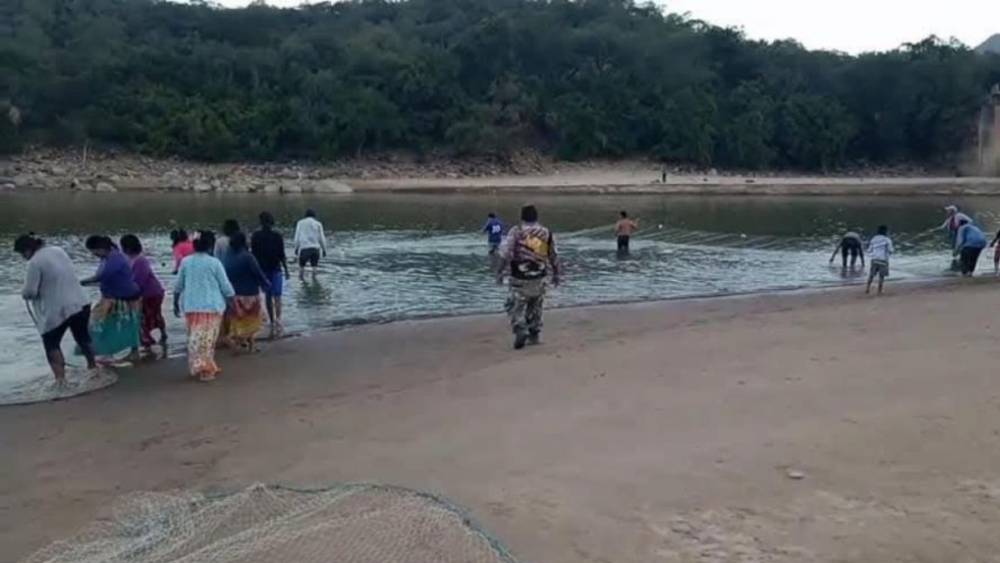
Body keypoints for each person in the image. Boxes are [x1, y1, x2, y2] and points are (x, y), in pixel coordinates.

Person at [15, 234, 97, 384]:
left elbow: (30, 292)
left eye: (22, 253)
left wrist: (24, 293)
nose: (23, 257)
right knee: (83, 338)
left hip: (57, 310)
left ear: (27, 250)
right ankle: (94, 368)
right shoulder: (58, 250)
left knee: (51, 344)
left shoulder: (34, 262)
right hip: (80, 302)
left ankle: (60, 381)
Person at [496, 204, 560, 350]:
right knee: (536, 305)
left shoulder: (516, 231)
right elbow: (554, 256)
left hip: (519, 277)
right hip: (540, 276)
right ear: (537, 217)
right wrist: (556, 274)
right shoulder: (546, 233)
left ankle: (520, 328)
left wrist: (499, 272)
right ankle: (534, 334)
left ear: (522, 217)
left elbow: (505, 253)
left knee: (513, 305)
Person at [173, 231, 235, 381]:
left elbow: (178, 285)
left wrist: (175, 302)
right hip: (211, 306)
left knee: (195, 338)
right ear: (210, 246)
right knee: (208, 339)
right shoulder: (214, 263)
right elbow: (225, 285)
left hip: (192, 307)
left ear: (194, 246)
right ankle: (205, 369)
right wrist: (232, 301)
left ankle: (203, 365)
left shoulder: (186, 262)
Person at [81, 235, 142, 361]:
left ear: (100, 248)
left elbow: (100, 277)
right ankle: (109, 352)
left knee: (101, 323)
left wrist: (81, 282)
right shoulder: (109, 256)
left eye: (93, 251)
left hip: (125, 296)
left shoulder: (114, 259)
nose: (93, 254)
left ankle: (111, 353)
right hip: (116, 295)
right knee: (122, 324)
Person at [120, 234, 167, 358]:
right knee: (154, 316)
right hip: (151, 293)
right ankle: (161, 336)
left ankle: (148, 344)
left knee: (144, 320)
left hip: (151, 294)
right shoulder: (131, 260)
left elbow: (138, 281)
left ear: (127, 248)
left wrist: (129, 294)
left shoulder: (140, 261)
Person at [222, 232, 270, 353]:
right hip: (250, 293)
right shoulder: (248, 257)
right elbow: (257, 272)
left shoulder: (228, 257)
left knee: (239, 321)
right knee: (252, 320)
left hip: (234, 294)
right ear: (243, 242)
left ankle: (242, 343)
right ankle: (248, 344)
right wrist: (266, 283)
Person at [251, 211, 290, 337]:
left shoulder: (256, 236)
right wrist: (286, 270)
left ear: (260, 222)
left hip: (263, 270)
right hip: (275, 269)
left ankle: (272, 321)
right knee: (277, 295)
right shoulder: (277, 236)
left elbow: (253, 256)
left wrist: (254, 272)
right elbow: (282, 255)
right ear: (271, 222)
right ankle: (278, 320)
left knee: (268, 295)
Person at [293, 209, 328, 279]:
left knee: (301, 268)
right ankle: (314, 281)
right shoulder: (318, 224)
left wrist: (296, 248)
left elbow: (297, 237)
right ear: (314, 215)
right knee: (314, 267)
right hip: (315, 249)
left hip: (304, 248)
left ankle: (301, 281)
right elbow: (322, 238)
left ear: (305, 215)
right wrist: (324, 250)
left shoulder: (300, 223)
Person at [866, 225, 894, 295]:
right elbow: (891, 250)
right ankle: (879, 290)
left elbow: (869, 250)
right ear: (886, 231)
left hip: (874, 259)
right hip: (883, 260)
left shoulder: (873, 239)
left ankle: (867, 288)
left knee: (871, 275)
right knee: (881, 276)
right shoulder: (887, 240)